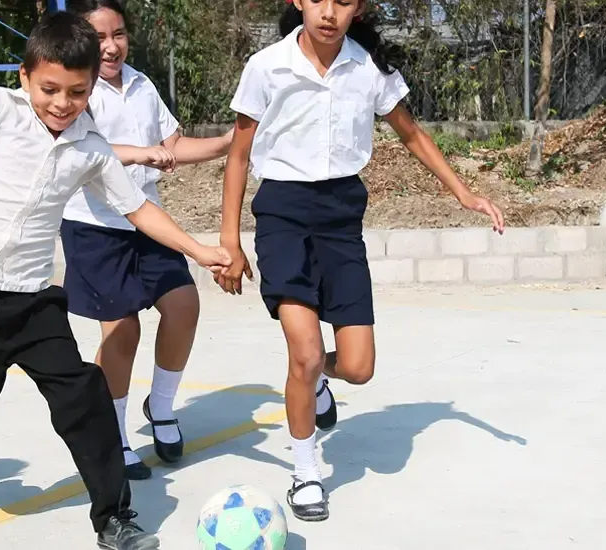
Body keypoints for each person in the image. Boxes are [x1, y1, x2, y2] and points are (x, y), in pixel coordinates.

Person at [0, 12, 231, 550]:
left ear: (92, 88)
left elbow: (138, 208)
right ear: (25, 78)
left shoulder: (91, 146)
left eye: (77, 91)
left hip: (32, 297)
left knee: (84, 395)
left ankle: (113, 517)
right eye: (50, 89)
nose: (62, 103)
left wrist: (201, 251)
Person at [216, 0, 506, 522]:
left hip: (342, 217)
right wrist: (230, 241)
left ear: (360, 8)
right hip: (282, 211)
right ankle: (306, 472)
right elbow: (239, 156)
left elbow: (412, 133)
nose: (329, 11)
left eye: (344, 1)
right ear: (297, 2)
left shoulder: (367, 68)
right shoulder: (267, 66)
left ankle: (318, 381)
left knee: (358, 367)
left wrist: (464, 193)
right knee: (303, 352)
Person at [59, 0, 235, 481]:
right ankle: (112, 434)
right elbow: (80, 148)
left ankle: (159, 407)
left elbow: (172, 146)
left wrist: (224, 144)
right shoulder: (75, 88)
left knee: (184, 306)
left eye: (119, 34)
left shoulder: (139, 84)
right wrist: (140, 153)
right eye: (99, 38)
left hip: (147, 219)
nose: (111, 46)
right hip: (95, 227)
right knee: (123, 330)